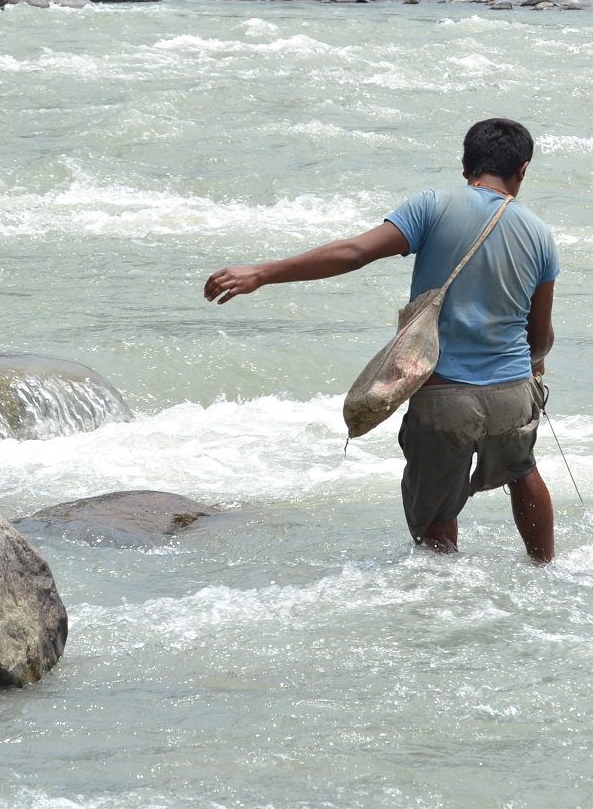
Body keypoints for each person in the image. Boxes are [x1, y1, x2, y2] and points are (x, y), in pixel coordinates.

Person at [203, 118, 561, 561]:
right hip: (510, 391)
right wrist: (534, 364)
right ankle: (545, 571)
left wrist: (261, 273)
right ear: (523, 170)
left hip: (444, 394)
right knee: (523, 470)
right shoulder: (540, 234)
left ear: (465, 163)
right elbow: (539, 336)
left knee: (436, 509)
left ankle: (445, 592)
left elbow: (355, 254)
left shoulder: (434, 205)